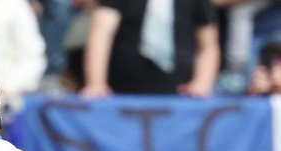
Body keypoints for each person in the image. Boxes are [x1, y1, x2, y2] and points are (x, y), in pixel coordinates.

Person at [79, 0, 219, 97]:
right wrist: (96, 83)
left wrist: (202, 83)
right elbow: (101, 34)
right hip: (121, 94)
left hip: (181, 97)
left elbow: (208, 46)